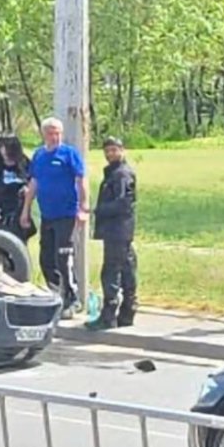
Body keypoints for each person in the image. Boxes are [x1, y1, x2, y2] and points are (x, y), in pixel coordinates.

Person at [20, 117, 90, 320]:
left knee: (63, 257)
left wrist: (84, 207)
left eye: (58, 133)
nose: (55, 137)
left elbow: (81, 179)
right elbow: (34, 183)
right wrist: (25, 210)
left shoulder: (69, 154)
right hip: (47, 215)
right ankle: (55, 294)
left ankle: (72, 299)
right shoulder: (39, 155)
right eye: (51, 133)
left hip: (66, 214)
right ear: (44, 134)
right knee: (46, 259)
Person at [86, 137, 137, 331]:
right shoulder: (114, 173)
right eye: (107, 151)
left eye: (114, 150)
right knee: (127, 268)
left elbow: (123, 203)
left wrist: (98, 210)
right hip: (119, 229)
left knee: (111, 272)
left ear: (122, 150)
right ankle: (127, 312)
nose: (110, 154)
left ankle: (109, 315)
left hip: (118, 229)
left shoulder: (122, 174)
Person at [0, 135, 35, 242]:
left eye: (7, 148)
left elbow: (33, 183)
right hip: (0, 214)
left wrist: (27, 191)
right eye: (1, 147)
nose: (4, 151)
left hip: (20, 212)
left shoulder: (25, 164)